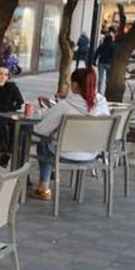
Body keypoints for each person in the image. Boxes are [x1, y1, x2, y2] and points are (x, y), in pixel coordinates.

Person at [28, 67, 110, 201]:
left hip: (64, 154)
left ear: (75, 84)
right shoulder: (102, 103)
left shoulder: (65, 105)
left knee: (43, 144)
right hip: (92, 154)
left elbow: (41, 130)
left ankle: (43, 188)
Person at [95, 27, 116, 94]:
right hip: (109, 63)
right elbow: (113, 55)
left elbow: (97, 53)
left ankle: (99, 91)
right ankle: (107, 90)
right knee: (108, 78)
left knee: (100, 78)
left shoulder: (102, 45)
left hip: (101, 62)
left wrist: (94, 61)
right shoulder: (112, 46)